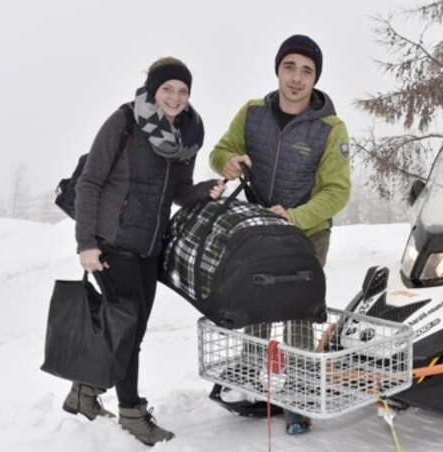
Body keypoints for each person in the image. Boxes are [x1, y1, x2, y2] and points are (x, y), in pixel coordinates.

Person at [68, 57, 225, 445]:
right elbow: (89, 184)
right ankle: (132, 412)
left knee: (129, 331)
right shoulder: (124, 122)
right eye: (168, 89)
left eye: (183, 90)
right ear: (154, 90)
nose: (175, 97)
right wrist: (86, 244)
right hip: (113, 242)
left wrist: (205, 190)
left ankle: (84, 392)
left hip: (150, 246)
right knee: (128, 331)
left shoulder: (188, 136)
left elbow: (177, 194)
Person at [209, 34, 351, 434]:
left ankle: (300, 395)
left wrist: (294, 216)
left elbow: (337, 191)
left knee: (297, 313)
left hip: (307, 234)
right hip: (257, 232)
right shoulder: (252, 112)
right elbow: (220, 151)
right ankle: (253, 380)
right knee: (256, 304)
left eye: (307, 70)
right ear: (277, 69)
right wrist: (230, 160)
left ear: (315, 79)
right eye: (290, 66)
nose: (296, 77)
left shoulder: (330, 128)